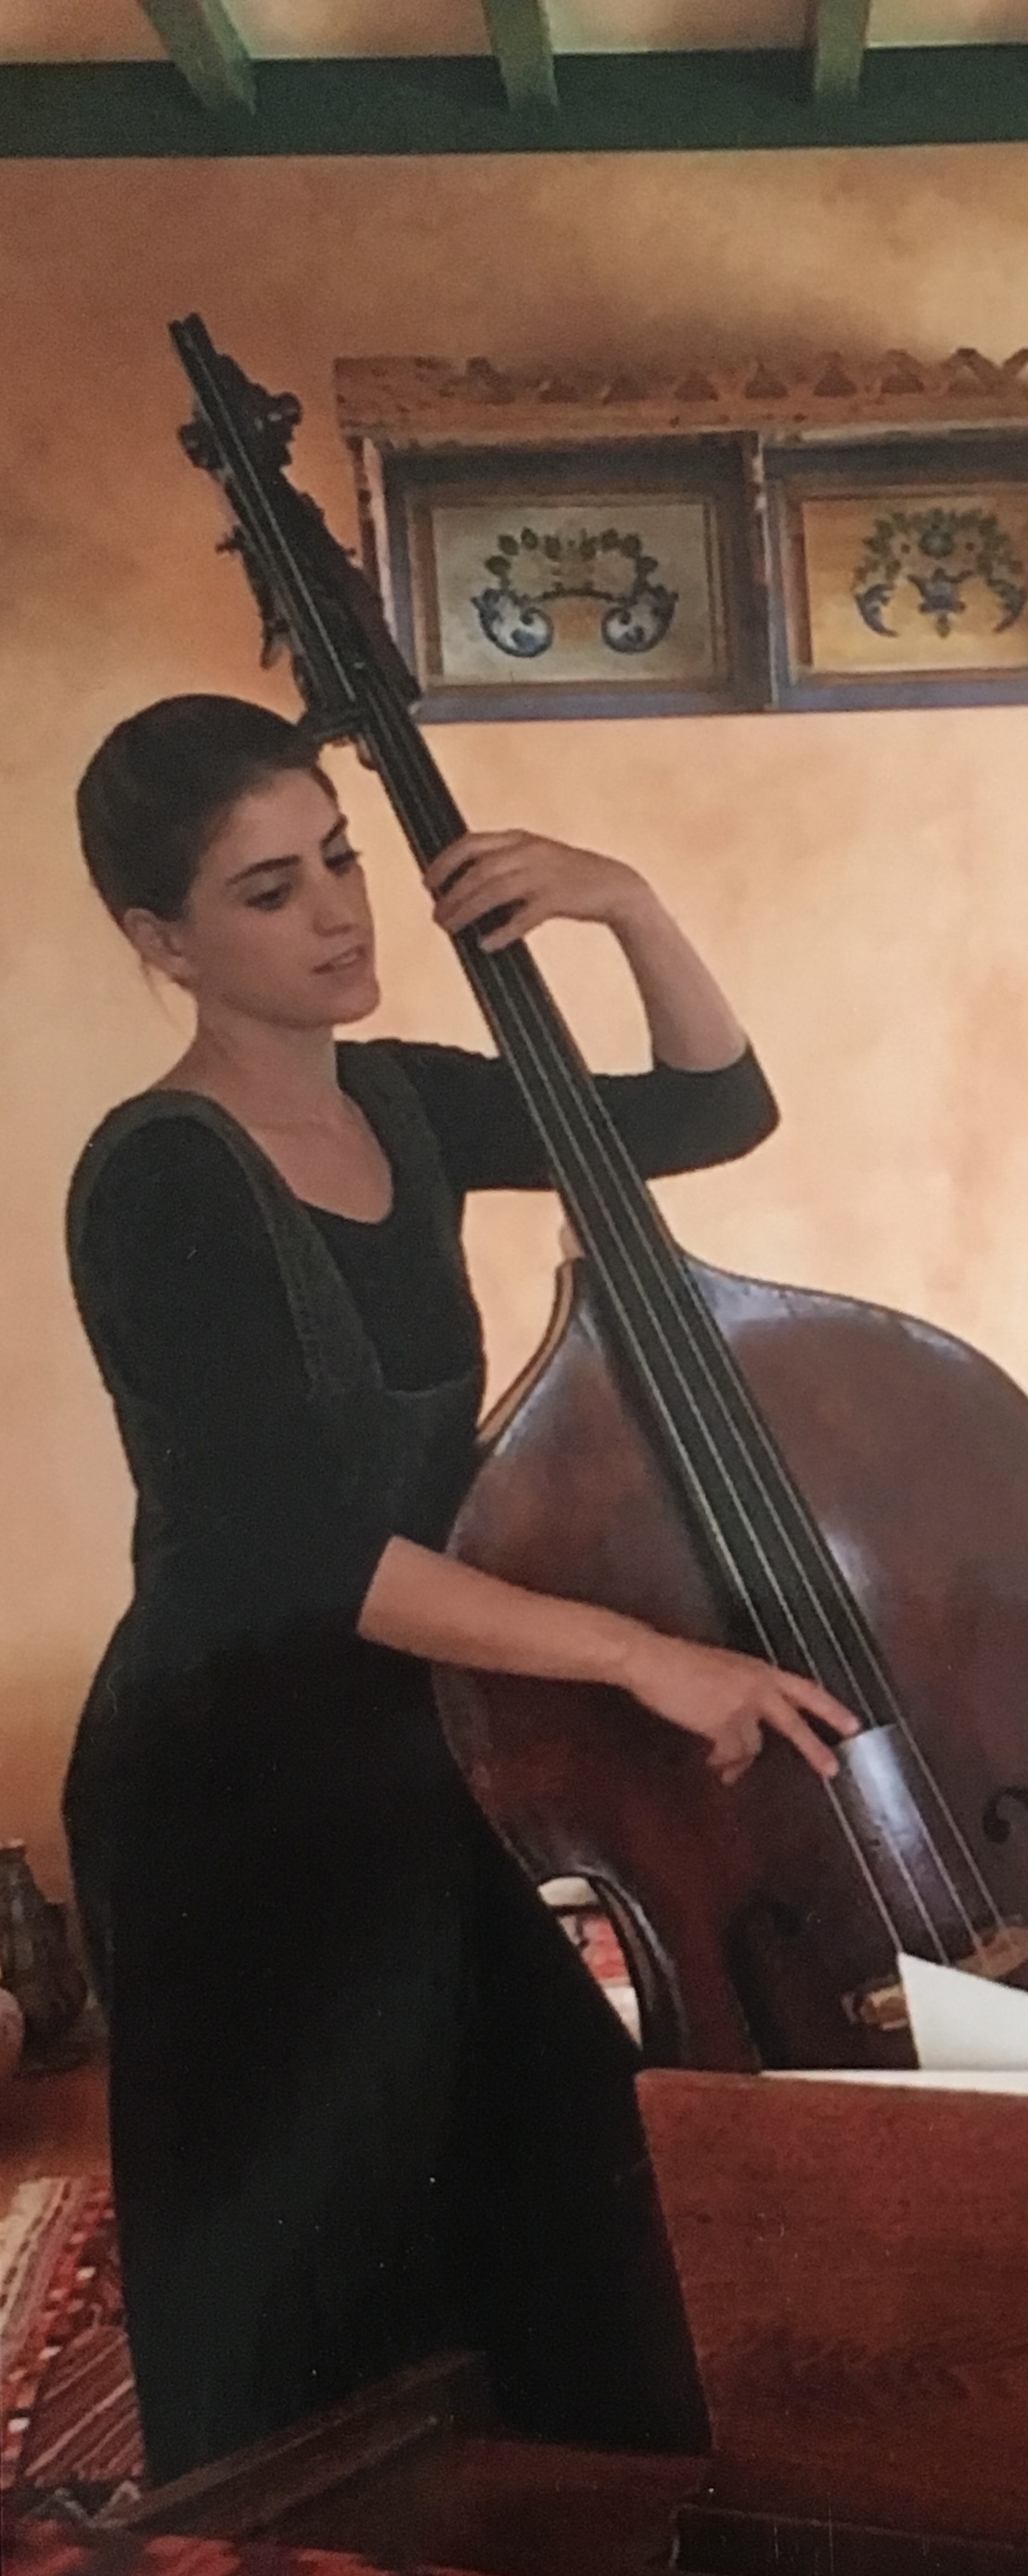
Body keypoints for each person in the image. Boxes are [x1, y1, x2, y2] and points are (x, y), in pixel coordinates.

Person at [64, 692, 858, 2483]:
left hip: (416, 1746)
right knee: (291, 2255)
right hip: (228, 1787)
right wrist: (641, 1659)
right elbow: (299, 1553)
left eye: (340, 859)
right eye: (269, 891)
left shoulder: (405, 1100)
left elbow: (711, 1110)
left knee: (555, 2181)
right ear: (160, 940)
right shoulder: (156, 1179)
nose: (340, 911)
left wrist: (625, 899)